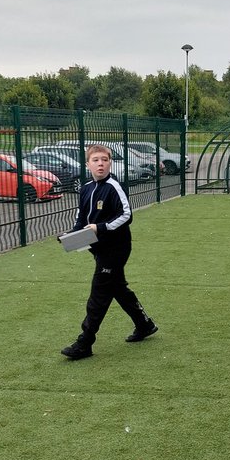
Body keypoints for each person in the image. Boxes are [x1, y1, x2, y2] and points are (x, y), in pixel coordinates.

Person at [60, 144, 157, 360]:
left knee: (99, 293)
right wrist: (69, 236)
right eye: (95, 160)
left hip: (116, 249)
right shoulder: (85, 189)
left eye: (104, 159)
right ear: (88, 164)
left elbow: (126, 216)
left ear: (110, 163)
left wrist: (101, 227)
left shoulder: (114, 187)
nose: (100, 163)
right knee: (118, 288)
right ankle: (144, 324)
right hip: (98, 248)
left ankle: (85, 342)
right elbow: (81, 220)